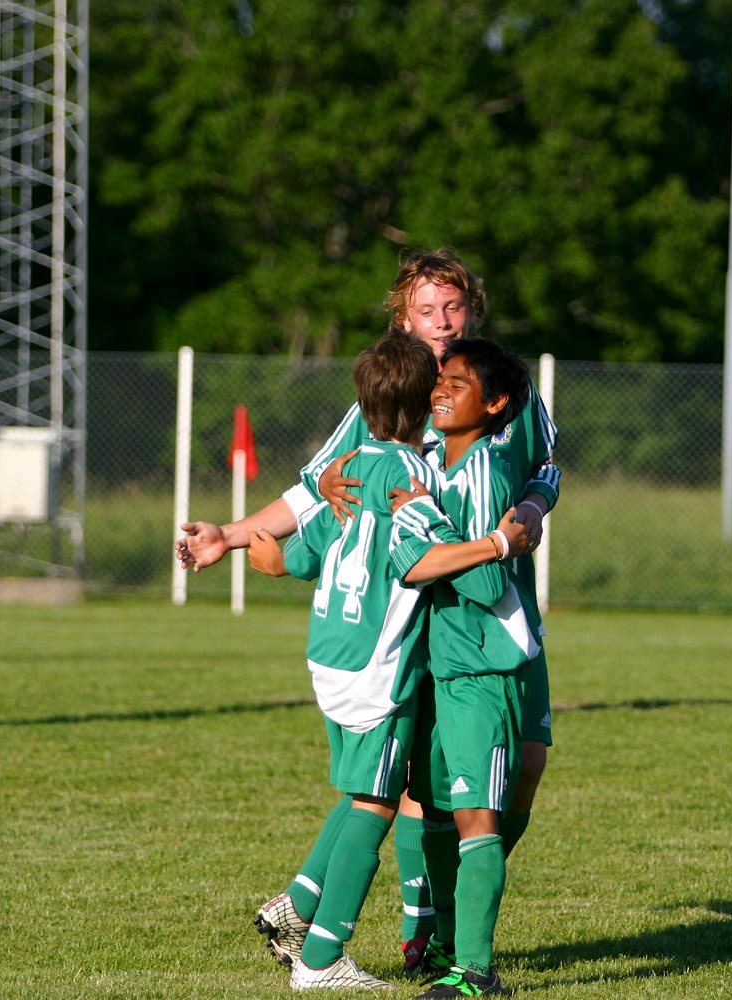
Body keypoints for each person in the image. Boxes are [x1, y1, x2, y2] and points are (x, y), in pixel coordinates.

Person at [176, 249, 561, 971]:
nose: (441, 323)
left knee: (521, 767)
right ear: (402, 317)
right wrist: (229, 536)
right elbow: (319, 495)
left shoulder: (502, 387)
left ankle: (316, 900)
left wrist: (533, 507)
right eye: (426, 310)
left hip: (505, 612)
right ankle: (427, 932)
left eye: (452, 308)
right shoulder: (385, 410)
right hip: (424, 621)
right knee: (417, 784)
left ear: (470, 311)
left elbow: (546, 467)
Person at [241, 332, 529, 989]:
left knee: (362, 790)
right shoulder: (413, 474)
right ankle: (320, 959)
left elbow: (307, 546)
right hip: (379, 664)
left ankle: (297, 906)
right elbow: (425, 565)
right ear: (424, 402)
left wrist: (271, 558)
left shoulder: (347, 468)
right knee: (375, 802)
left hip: (328, 652)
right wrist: (495, 542)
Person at [388, 338, 539, 998]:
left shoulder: (482, 474)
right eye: (440, 379)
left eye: (458, 381)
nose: (441, 389)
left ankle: (477, 972)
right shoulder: (439, 464)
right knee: (440, 811)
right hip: (442, 665)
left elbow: (479, 585)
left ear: (496, 403)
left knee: (479, 816)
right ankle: (449, 942)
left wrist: (422, 525)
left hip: (484, 668)